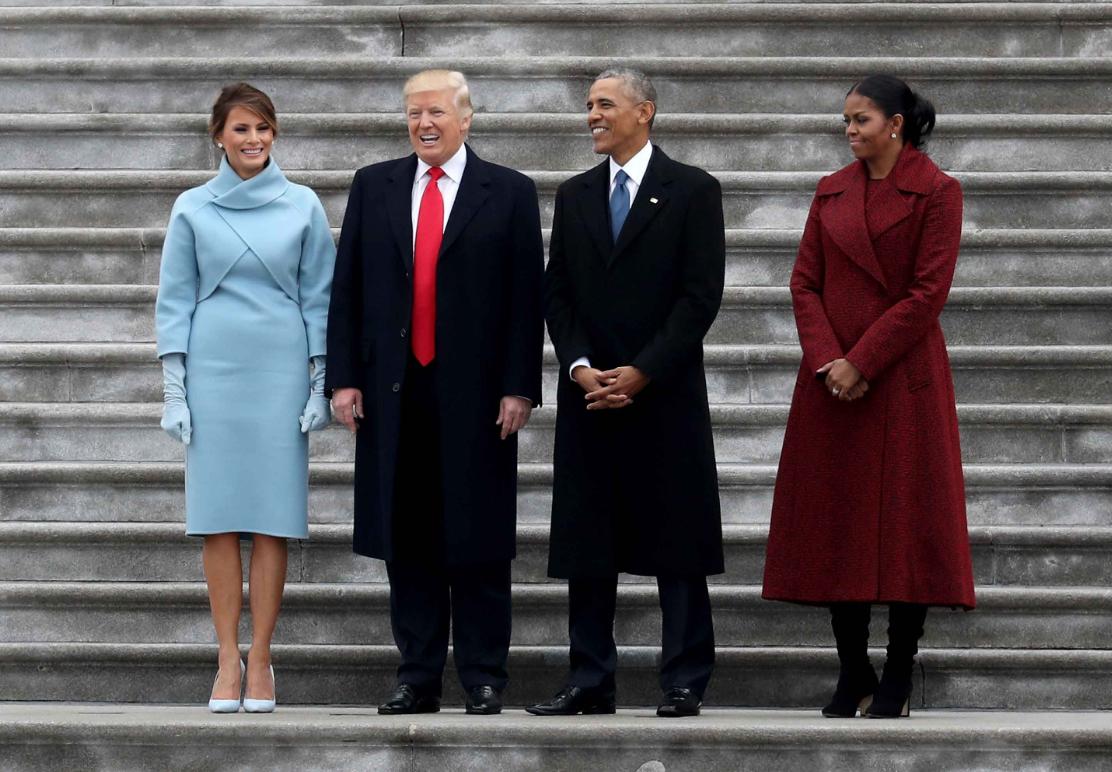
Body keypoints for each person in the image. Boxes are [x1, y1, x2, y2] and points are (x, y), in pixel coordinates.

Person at [325, 69, 544, 716]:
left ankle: (482, 675)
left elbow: (524, 301)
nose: (424, 123)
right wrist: (344, 378)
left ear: (466, 118)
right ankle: (417, 675)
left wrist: (519, 387)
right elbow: (348, 290)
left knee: (477, 537)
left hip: (477, 396)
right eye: (414, 112)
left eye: (437, 113)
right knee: (409, 537)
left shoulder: (508, 192)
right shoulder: (375, 185)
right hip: (395, 391)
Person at [762, 74, 976, 719]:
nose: (850, 130)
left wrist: (862, 360)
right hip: (831, 382)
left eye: (861, 120)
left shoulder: (938, 192)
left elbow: (926, 294)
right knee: (837, 523)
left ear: (896, 124)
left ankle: (899, 675)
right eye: (845, 121)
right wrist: (830, 359)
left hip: (901, 379)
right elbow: (804, 283)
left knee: (907, 527)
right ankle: (853, 669)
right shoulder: (830, 191)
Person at [528, 68, 725, 719]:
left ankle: (684, 678)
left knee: (677, 537)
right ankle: (590, 677)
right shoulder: (576, 193)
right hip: (591, 397)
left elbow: (699, 297)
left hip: (663, 395)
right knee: (589, 543)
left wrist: (642, 371)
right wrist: (582, 366)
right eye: (588, 105)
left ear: (645, 111)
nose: (592, 115)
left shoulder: (693, 190)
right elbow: (556, 291)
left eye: (604, 104)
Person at [155, 83, 335, 713]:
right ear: (218, 136)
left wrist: (319, 383)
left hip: (280, 371)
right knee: (218, 518)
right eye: (241, 129)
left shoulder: (303, 204)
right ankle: (225, 659)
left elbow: (321, 298)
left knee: (271, 517)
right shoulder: (192, 208)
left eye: (263, 128)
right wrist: (175, 390)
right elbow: (174, 299)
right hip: (215, 370)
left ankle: (261, 657)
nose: (253, 140)